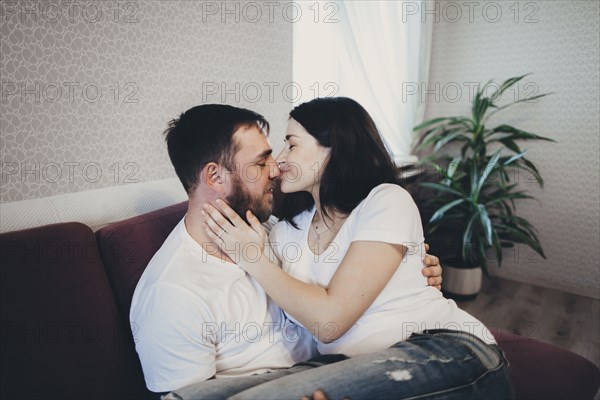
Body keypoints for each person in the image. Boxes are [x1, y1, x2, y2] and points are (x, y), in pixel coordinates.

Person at [201, 97, 514, 399]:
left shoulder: (386, 201)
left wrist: (253, 259)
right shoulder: (285, 233)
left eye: (292, 144)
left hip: (443, 350)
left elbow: (329, 321)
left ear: (335, 149)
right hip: (344, 367)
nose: (280, 160)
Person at [129, 104, 443, 398]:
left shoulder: (269, 230)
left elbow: (340, 282)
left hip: (340, 370)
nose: (276, 170)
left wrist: (406, 271)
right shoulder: (173, 292)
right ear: (214, 176)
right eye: (260, 162)